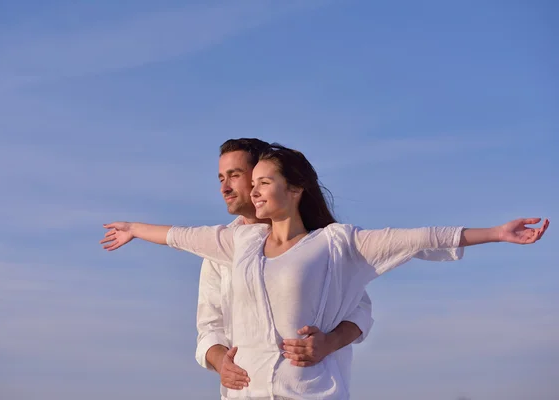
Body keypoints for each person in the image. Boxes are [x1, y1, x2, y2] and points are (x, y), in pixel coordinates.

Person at [100, 143, 549, 399]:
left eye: (261, 183)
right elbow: (181, 235)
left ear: (295, 189)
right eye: (247, 184)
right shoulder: (239, 241)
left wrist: (496, 232)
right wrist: (134, 228)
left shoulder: (337, 245)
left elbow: (416, 237)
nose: (250, 193)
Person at [199, 139, 375, 392]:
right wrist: (220, 363)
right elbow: (208, 326)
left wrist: (328, 342)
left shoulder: (321, 245)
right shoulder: (220, 249)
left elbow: (359, 311)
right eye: (220, 179)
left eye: (234, 176)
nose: (224, 188)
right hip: (247, 393)